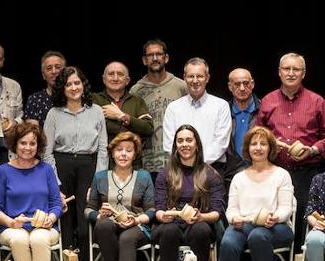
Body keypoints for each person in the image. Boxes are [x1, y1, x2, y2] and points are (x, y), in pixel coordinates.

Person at [255, 53, 325, 244]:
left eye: (296, 69)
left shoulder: (317, 101)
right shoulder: (268, 101)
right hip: (274, 171)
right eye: (286, 69)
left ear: (303, 73)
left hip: (306, 173)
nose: (291, 73)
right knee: (273, 219)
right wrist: (273, 143)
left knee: (302, 221)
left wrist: (312, 150)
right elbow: (258, 135)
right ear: (279, 72)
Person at [42, 65, 107, 261]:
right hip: (62, 166)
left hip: (88, 167)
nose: (73, 87)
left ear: (83, 85)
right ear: (63, 88)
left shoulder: (96, 111)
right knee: (66, 225)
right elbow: (47, 151)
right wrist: (55, 182)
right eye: (68, 84)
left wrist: (98, 181)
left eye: (77, 83)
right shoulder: (54, 114)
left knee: (85, 224)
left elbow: (103, 148)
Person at [0, 121, 63, 261]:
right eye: (23, 143)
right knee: (20, 238)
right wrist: (10, 221)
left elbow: (56, 204)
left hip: (44, 228)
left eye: (32, 143)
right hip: (12, 227)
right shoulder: (3, 171)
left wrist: (52, 218)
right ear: (15, 144)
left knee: (38, 238)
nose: (28, 148)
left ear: (38, 146)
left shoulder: (46, 170)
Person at [216, 127, 295, 261]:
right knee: (228, 242)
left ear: (270, 148)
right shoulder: (238, 178)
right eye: (254, 144)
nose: (258, 148)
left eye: (263, 144)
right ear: (247, 148)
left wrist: (275, 217)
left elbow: (285, 209)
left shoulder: (281, 175)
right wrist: (234, 219)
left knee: (258, 236)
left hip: (277, 226)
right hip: (245, 224)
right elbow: (232, 210)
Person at [152, 125, 225, 261]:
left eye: (189, 140)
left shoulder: (210, 174)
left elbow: (217, 211)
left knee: (201, 231)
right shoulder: (165, 173)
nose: (185, 144)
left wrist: (201, 216)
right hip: (171, 223)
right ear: (176, 145)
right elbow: (158, 209)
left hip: (198, 222)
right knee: (168, 231)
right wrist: (164, 216)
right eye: (180, 141)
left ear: (197, 145)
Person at [86, 131, 154, 261]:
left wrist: (137, 219)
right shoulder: (100, 177)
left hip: (137, 226)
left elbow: (152, 210)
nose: (123, 154)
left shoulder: (144, 177)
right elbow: (88, 209)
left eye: (129, 150)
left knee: (126, 237)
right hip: (109, 225)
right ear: (112, 153)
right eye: (119, 150)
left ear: (135, 154)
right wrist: (98, 215)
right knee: (103, 225)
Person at [162, 58, 232, 174]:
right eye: (191, 76)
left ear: (207, 78)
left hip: (213, 169)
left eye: (199, 76)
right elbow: (169, 144)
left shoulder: (221, 106)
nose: (195, 81)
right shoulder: (173, 108)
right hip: (181, 171)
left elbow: (221, 143)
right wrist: (186, 163)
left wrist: (195, 162)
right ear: (184, 78)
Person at [131, 40, 187, 177]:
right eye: (150, 55)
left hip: (178, 160)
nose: (155, 58)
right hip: (147, 162)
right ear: (144, 60)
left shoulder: (181, 86)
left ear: (166, 58)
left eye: (158, 54)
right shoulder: (136, 91)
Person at [90, 61, 155, 142]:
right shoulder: (94, 99)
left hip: (131, 153)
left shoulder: (137, 101)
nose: (115, 78)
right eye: (111, 74)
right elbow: (91, 127)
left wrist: (121, 116)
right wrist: (132, 126)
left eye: (120, 74)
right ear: (104, 79)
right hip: (101, 154)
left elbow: (148, 129)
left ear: (127, 80)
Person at [223, 68, 260, 179]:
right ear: (230, 86)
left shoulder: (264, 110)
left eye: (246, 83)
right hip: (230, 175)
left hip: (259, 173)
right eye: (237, 84)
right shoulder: (223, 112)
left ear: (252, 84)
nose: (242, 88)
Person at [23, 51, 66, 126]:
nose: (54, 71)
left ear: (66, 72)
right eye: (49, 68)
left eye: (58, 67)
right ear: (43, 75)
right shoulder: (34, 100)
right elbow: (32, 132)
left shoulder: (75, 96)